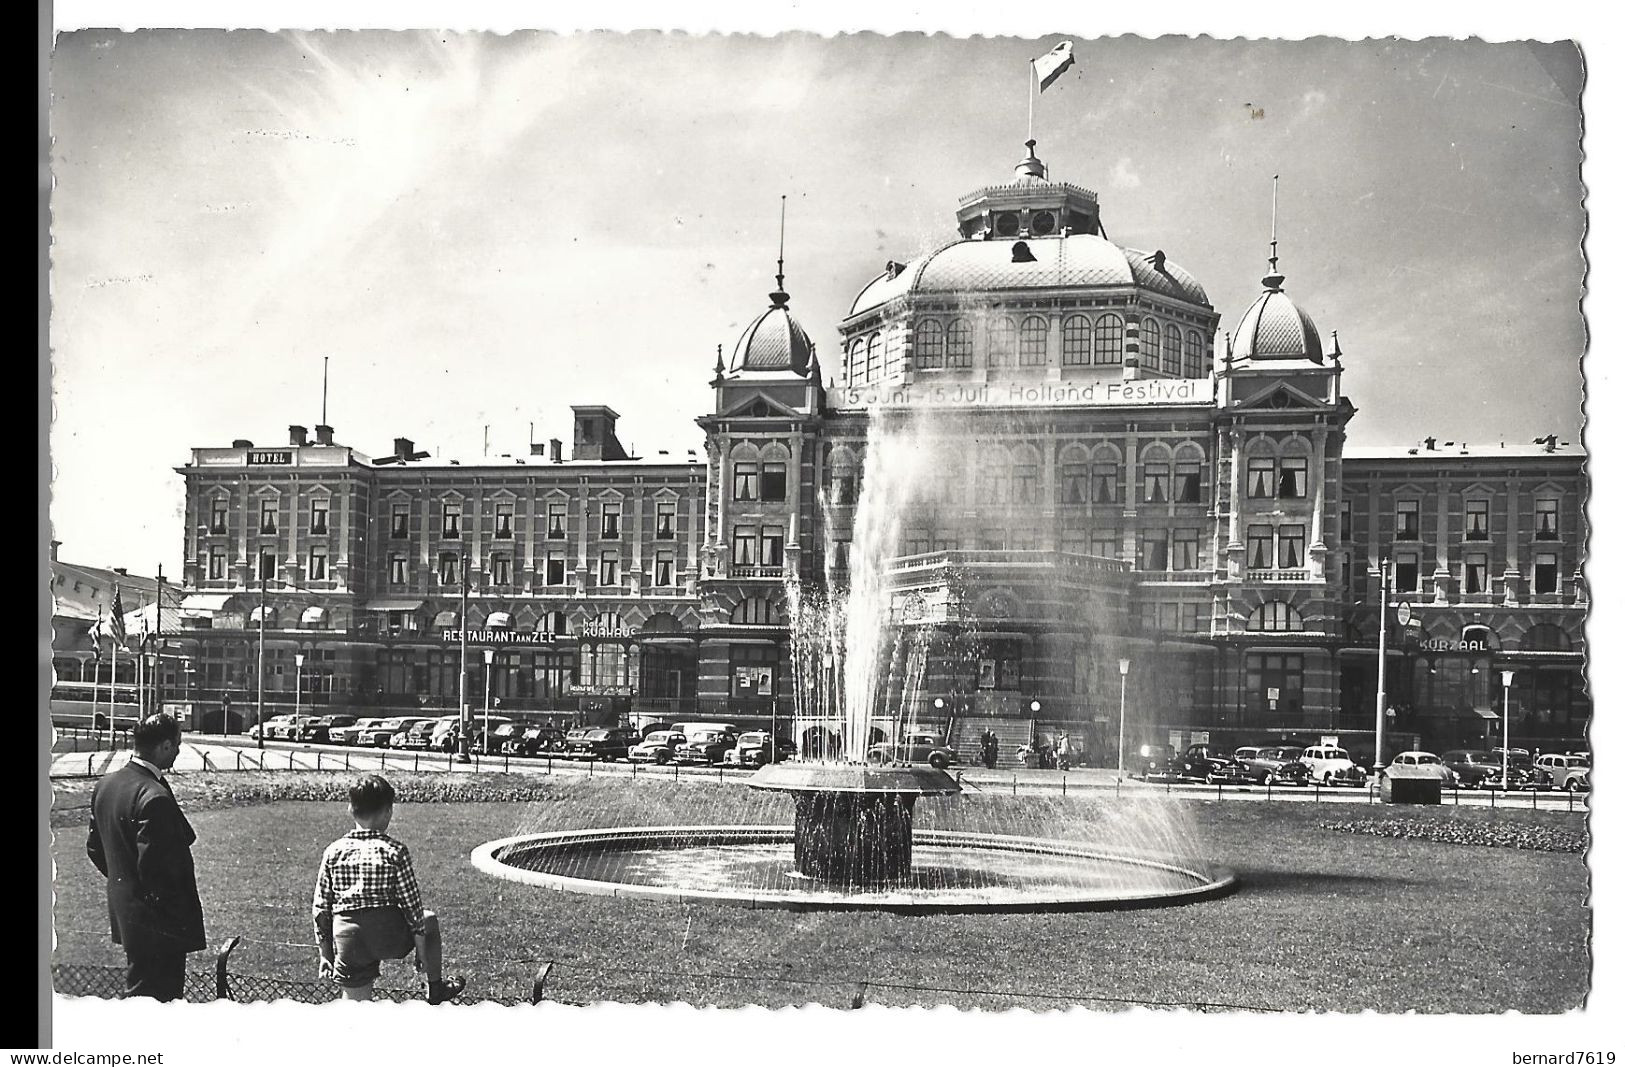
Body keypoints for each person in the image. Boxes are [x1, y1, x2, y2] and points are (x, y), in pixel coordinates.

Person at [312, 774, 466, 1004]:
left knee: (354, 1004)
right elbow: (412, 907)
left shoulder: (333, 851)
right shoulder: (395, 851)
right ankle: (436, 988)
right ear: (387, 812)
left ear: (350, 809)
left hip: (349, 938)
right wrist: (421, 951)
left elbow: (321, 907)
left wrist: (325, 954)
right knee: (429, 920)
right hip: (387, 936)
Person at [86, 712, 206, 1002]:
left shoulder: (107, 785)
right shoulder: (154, 796)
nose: (178, 751)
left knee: (139, 998)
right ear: (164, 746)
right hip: (160, 927)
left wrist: (126, 883)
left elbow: (95, 849)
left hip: (132, 920)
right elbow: (157, 870)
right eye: (176, 744)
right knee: (155, 1006)